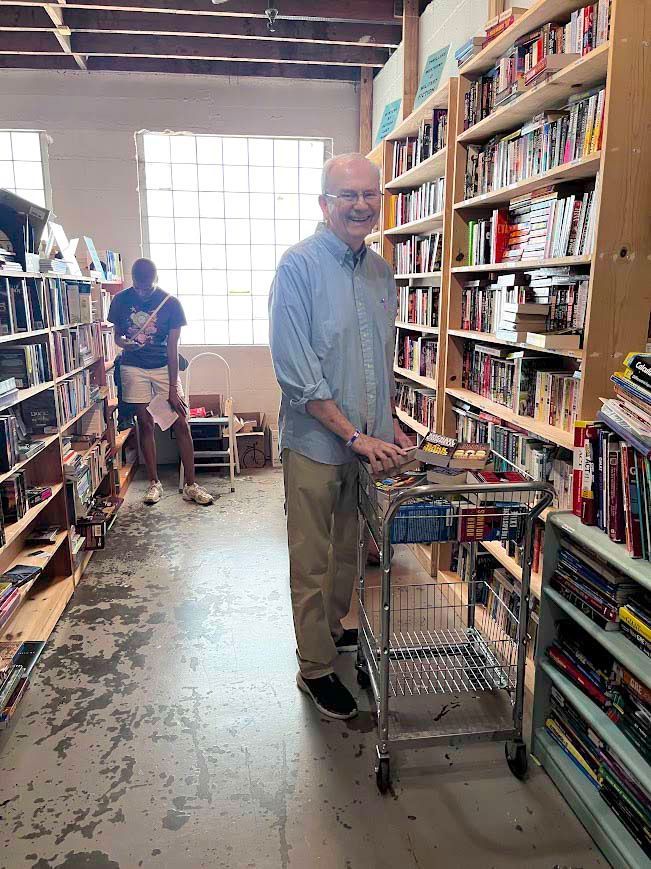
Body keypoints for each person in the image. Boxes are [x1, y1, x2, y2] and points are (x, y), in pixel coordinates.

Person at [269, 153, 412, 720]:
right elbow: (296, 370)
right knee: (311, 558)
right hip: (317, 444)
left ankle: (330, 631)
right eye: (346, 195)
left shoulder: (380, 272)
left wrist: (388, 422)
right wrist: (353, 435)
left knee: (351, 552)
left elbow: (379, 360)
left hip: (365, 445)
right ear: (324, 204)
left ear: (380, 200)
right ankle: (315, 668)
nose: (359, 205)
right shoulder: (298, 267)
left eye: (369, 195)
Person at [108, 258, 214, 506]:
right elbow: (116, 337)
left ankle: (191, 485)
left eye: (147, 287)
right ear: (132, 280)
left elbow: (172, 348)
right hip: (133, 366)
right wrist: (124, 343)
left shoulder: (171, 304)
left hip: (164, 367)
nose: (143, 291)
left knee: (181, 422)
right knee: (144, 423)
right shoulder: (120, 300)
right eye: (138, 287)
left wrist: (172, 389)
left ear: (156, 280)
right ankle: (154, 483)